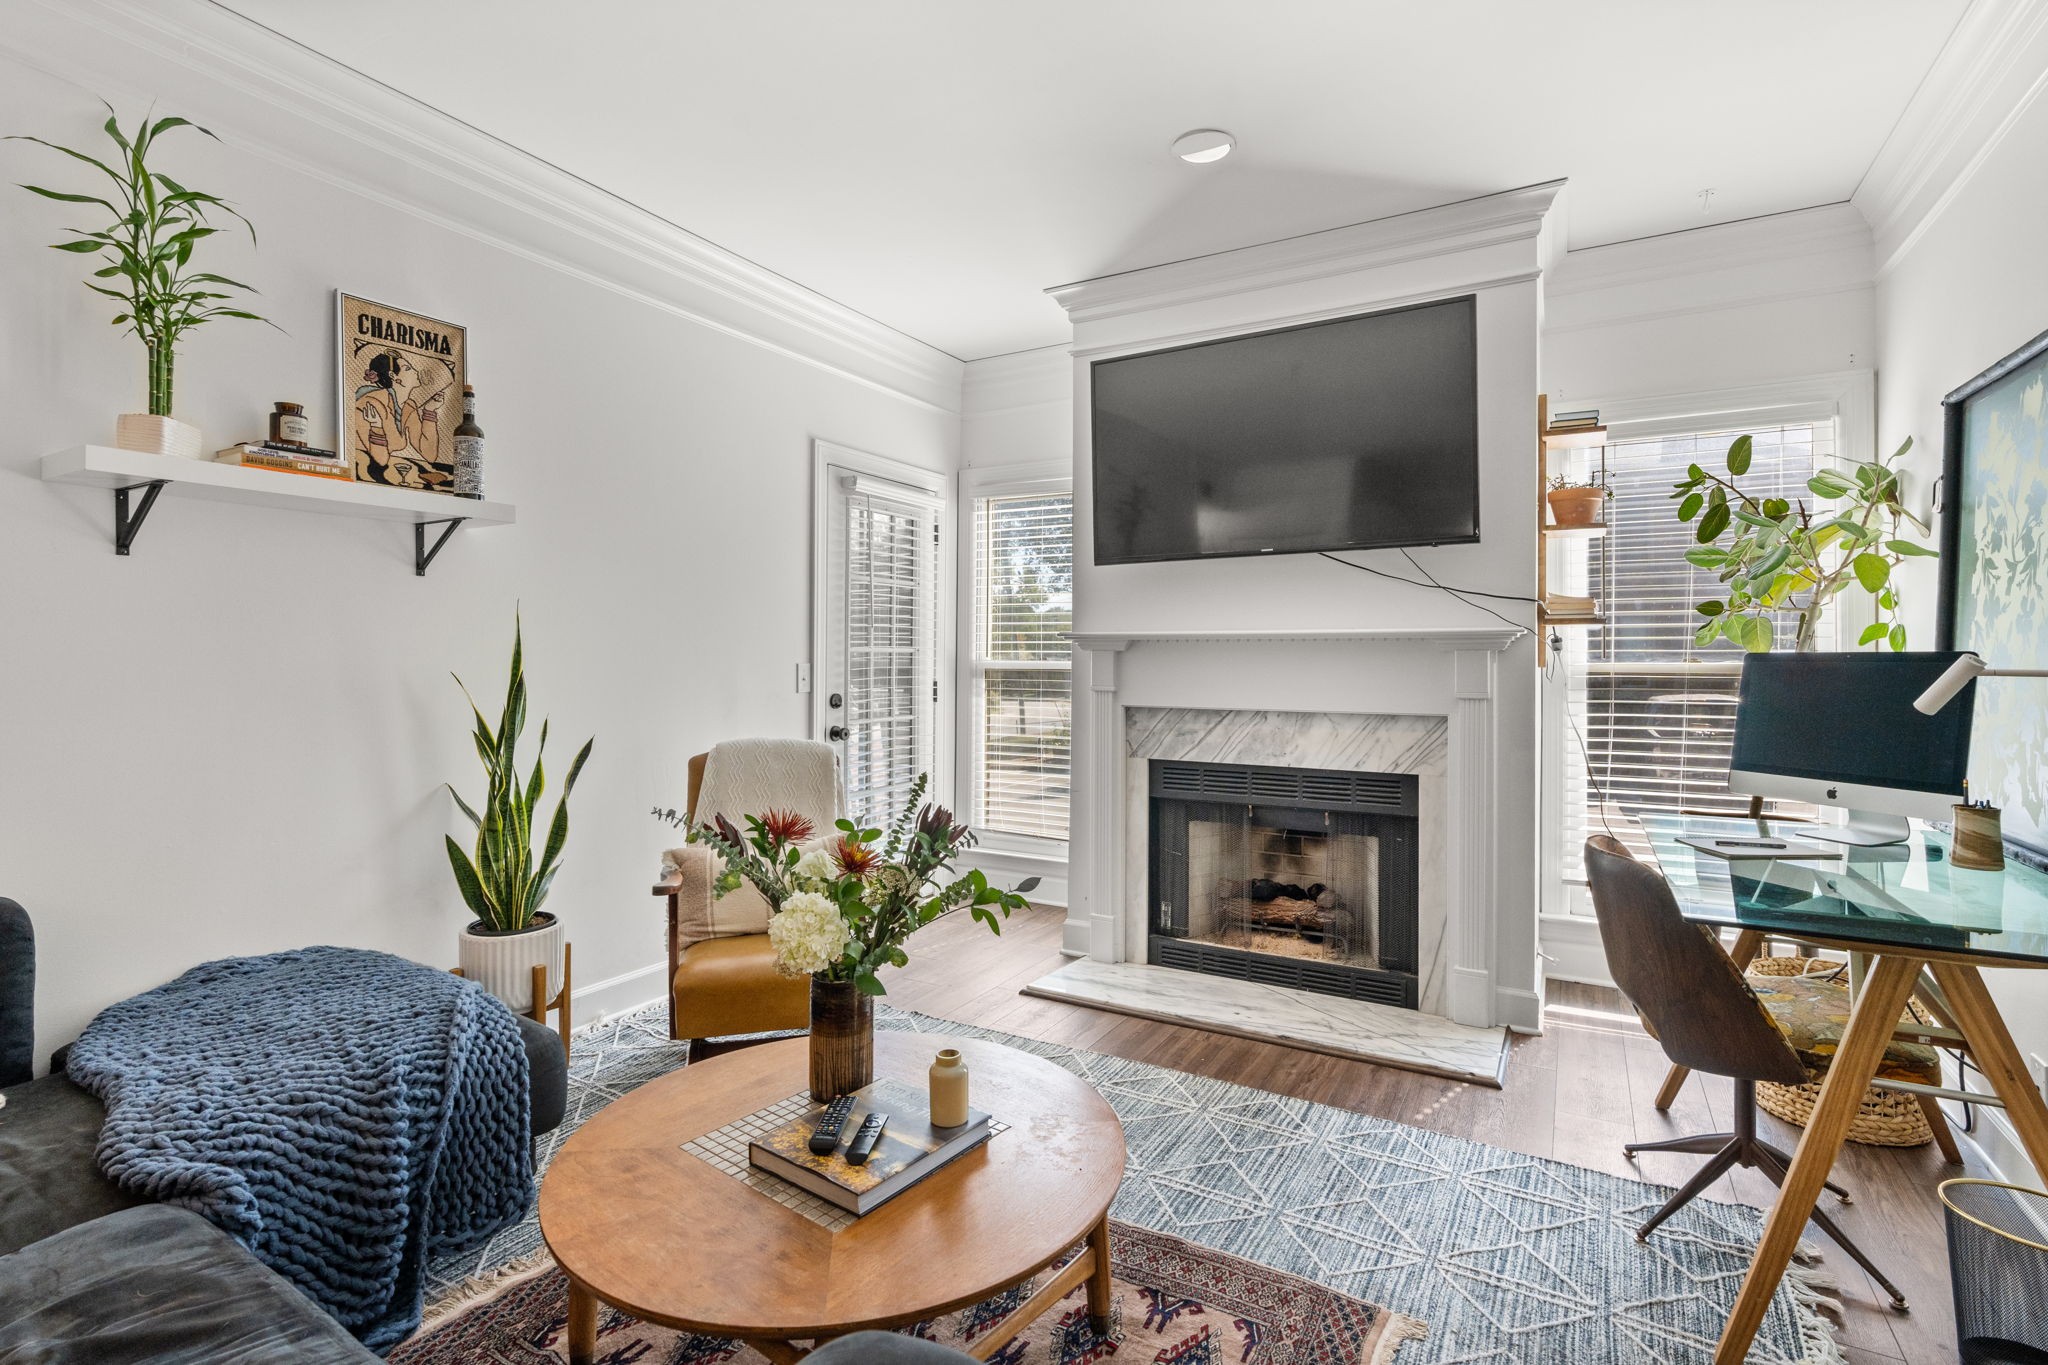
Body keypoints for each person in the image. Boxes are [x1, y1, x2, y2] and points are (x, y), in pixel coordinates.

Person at [350, 349, 451, 488]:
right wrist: (376, 427)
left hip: (383, 477)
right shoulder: (371, 404)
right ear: (394, 376)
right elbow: (379, 460)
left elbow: (429, 454)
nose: (416, 371)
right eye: (408, 368)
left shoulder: (408, 406)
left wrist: (429, 412)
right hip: (362, 475)